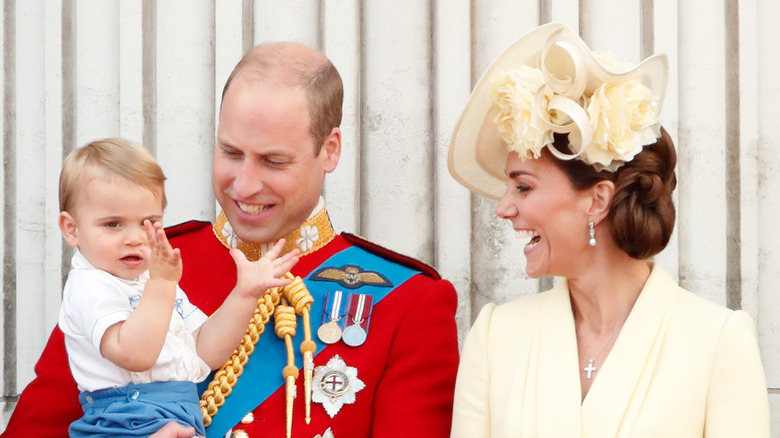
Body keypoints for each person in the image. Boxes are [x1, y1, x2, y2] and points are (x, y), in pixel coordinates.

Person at [2, 42, 460, 438]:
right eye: (231, 152)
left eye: (274, 161)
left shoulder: (407, 303)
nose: (243, 186)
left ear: (330, 150)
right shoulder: (133, 261)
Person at [447, 23, 770, 437]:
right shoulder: (494, 337)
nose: (504, 208)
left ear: (597, 200)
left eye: (523, 186)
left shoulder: (718, 341)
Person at [56, 138, 299, 437]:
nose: (134, 238)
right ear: (72, 229)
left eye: (148, 222)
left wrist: (244, 295)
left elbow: (205, 350)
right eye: (113, 224)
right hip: (125, 419)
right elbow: (133, 354)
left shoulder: (151, 280)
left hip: (176, 412)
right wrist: (161, 284)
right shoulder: (90, 284)